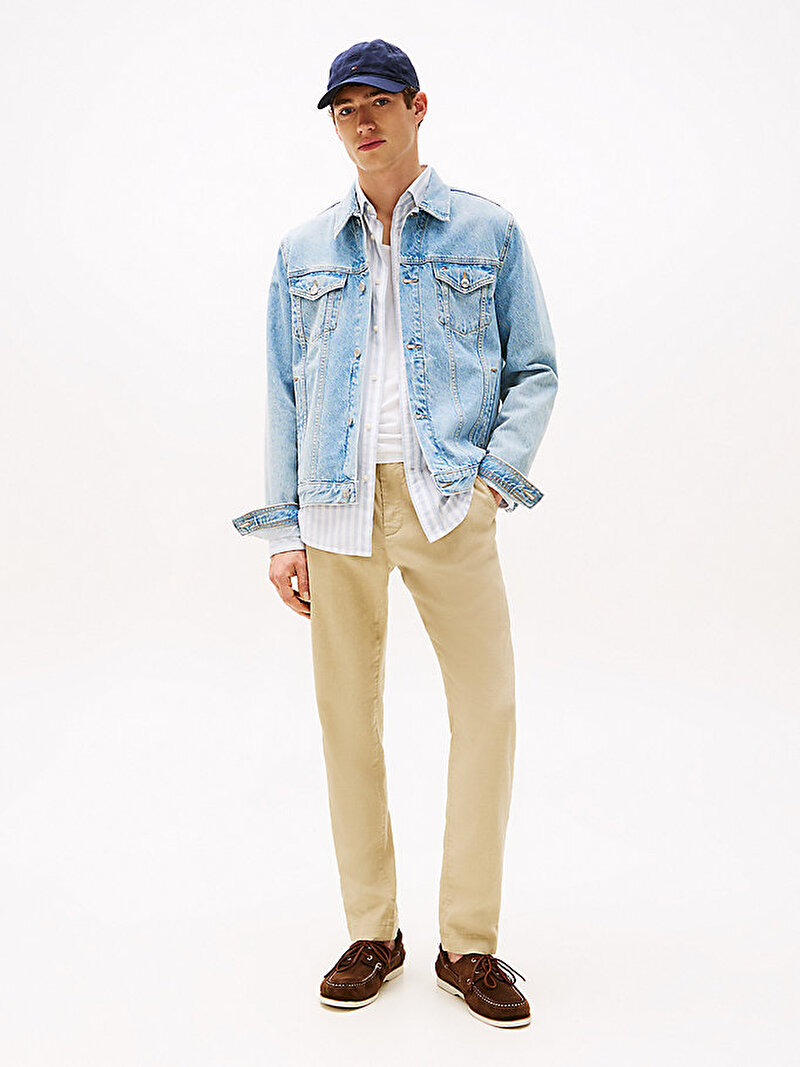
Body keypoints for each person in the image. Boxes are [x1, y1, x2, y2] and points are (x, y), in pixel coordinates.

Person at [232, 38, 558, 1028]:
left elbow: (535, 368)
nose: (361, 122)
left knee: (488, 711)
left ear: (418, 107)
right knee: (347, 719)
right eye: (344, 109)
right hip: (335, 505)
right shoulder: (302, 249)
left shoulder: (487, 230)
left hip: (449, 499)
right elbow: (282, 391)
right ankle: (373, 931)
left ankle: (468, 941)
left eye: (377, 102)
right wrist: (284, 530)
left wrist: (493, 480)